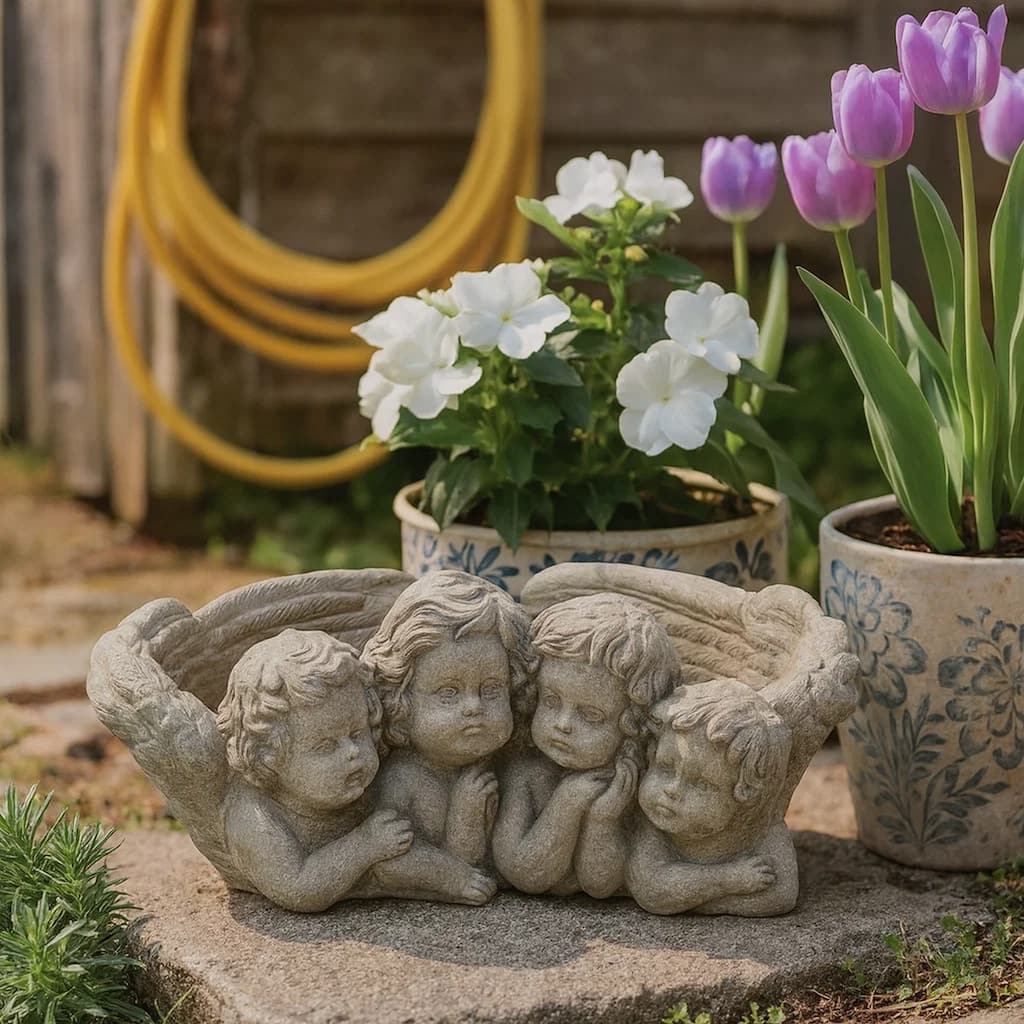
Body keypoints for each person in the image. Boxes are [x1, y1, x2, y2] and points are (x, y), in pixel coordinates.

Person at [361, 570, 538, 904]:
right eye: (448, 693)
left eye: (491, 690)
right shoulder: (401, 779)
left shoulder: (516, 770)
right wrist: (452, 874)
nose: (473, 707)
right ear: (402, 699)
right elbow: (387, 859)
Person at [493, 593, 680, 897]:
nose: (563, 724)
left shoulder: (634, 783)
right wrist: (568, 802)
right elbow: (524, 871)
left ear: (632, 724)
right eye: (551, 701)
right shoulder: (524, 774)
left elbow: (601, 883)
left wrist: (603, 819)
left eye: (591, 716)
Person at [215, 629, 412, 912]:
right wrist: (365, 845)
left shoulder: (373, 782)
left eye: (358, 733)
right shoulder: (255, 819)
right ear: (269, 757)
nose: (353, 752)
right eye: (325, 746)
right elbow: (299, 889)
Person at [626, 679, 799, 916]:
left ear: (745, 793)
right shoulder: (655, 823)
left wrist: (690, 899)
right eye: (665, 768)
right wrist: (727, 880)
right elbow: (651, 889)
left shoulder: (761, 827)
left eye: (701, 784)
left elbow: (780, 895)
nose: (672, 790)